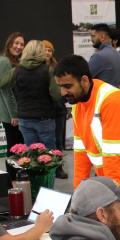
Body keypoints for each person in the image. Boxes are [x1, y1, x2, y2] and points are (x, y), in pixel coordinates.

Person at [55, 55, 120, 211]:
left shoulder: (111, 100)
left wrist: (114, 200)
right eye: (61, 86)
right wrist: (77, 195)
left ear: (84, 80)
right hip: (111, 182)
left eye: (68, 86)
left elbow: (111, 155)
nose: (63, 92)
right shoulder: (78, 103)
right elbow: (81, 154)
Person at [15, 40, 62, 150]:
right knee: (49, 153)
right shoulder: (48, 70)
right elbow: (56, 95)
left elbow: (10, 89)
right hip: (44, 117)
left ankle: (34, 168)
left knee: (32, 152)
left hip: (24, 117)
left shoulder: (17, 70)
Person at [0, 32, 26, 161]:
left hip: (11, 111)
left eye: (22, 44)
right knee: (14, 147)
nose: (19, 46)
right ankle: (13, 179)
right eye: (16, 43)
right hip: (10, 113)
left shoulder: (11, 60)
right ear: (9, 44)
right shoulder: (5, 61)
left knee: (17, 146)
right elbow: (7, 90)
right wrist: (14, 114)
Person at [43, 41, 69, 179]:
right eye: (45, 50)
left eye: (50, 50)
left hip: (58, 108)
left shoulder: (57, 67)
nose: (47, 52)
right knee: (47, 140)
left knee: (58, 140)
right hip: (45, 109)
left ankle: (59, 167)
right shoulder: (38, 68)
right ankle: (47, 167)